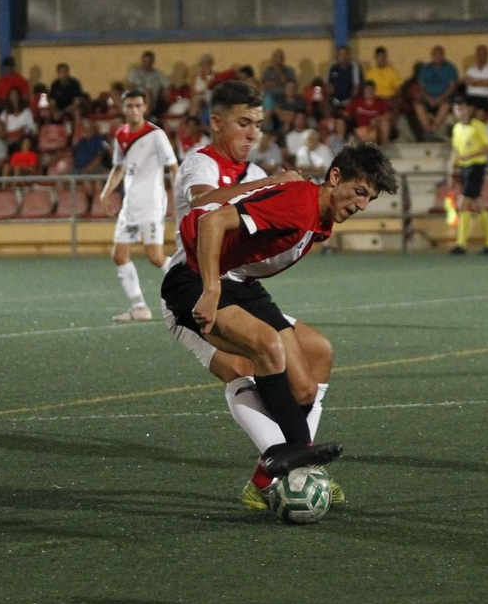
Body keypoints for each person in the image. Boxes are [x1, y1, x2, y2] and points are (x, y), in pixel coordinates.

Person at [160, 143, 398, 508]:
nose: (362, 205)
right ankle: (291, 463)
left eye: (370, 198)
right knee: (267, 347)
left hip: (240, 282)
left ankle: (281, 464)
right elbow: (211, 221)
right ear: (335, 177)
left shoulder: (320, 218)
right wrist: (210, 289)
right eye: (360, 192)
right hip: (193, 277)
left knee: (308, 377)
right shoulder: (300, 203)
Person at [98, 89, 179, 323]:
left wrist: (178, 198)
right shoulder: (121, 134)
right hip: (130, 205)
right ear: (123, 108)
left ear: (145, 108)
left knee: (155, 256)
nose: (133, 110)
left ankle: (192, 281)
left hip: (152, 204)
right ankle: (140, 307)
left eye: (138, 105)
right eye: (129, 106)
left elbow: (173, 167)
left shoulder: (156, 135)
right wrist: (106, 193)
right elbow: (119, 167)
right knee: (119, 255)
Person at [446, 97, 488, 255]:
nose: (459, 111)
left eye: (462, 107)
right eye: (456, 108)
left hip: (476, 166)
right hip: (464, 168)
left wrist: (468, 156)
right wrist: (450, 169)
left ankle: (461, 244)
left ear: (469, 109)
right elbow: (455, 150)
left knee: (463, 203)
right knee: (478, 203)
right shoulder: (456, 128)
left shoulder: (478, 126)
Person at [345, 80, 393, 146]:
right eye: (367, 90)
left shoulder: (380, 102)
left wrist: (376, 119)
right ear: (364, 91)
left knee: (385, 123)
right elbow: (347, 114)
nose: (369, 92)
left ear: (375, 91)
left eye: (371, 90)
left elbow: (389, 115)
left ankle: (384, 146)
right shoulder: (357, 101)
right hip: (360, 129)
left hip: (374, 130)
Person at [463, 44, 488, 110]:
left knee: (475, 110)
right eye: (479, 54)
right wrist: (483, 81)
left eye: (484, 54)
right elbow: (468, 82)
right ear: (476, 55)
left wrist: (474, 82)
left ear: (487, 55)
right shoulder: (470, 70)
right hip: (471, 97)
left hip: (485, 98)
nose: (481, 56)